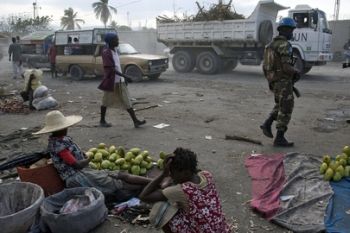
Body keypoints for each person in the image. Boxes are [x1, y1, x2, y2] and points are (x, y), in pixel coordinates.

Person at [33, 110, 152, 201]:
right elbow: (77, 164)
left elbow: (71, 157)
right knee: (118, 184)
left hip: (83, 172)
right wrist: (88, 159)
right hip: (77, 176)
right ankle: (149, 186)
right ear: (62, 128)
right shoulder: (59, 146)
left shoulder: (59, 139)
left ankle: (152, 182)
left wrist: (81, 155)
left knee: (120, 175)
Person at [139, 147, 231, 233]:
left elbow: (144, 196)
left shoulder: (181, 190)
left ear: (186, 173)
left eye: (173, 172)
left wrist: (163, 174)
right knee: (179, 205)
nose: (170, 175)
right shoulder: (207, 175)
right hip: (219, 228)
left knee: (160, 210)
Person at [260, 17, 300, 147]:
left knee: (280, 105)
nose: (292, 33)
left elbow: (265, 66)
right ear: (286, 30)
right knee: (286, 107)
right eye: (291, 30)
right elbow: (287, 67)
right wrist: (297, 72)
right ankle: (280, 138)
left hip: (274, 82)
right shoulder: (284, 45)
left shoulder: (270, 45)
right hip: (283, 82)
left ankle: (267, 123)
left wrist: (271, 80)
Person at [98, 32, 146, 128]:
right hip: (111, 81)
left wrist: (123, 78)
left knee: (127, 100)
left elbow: (117, 66)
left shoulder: (114, 50)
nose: (118, 41)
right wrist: (125, 76)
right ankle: (102, 121)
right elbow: (111, 69)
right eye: (116, 39)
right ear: (110, 41)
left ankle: (135, 121)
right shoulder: (106, 52)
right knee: (105, 101)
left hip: (119, 80)